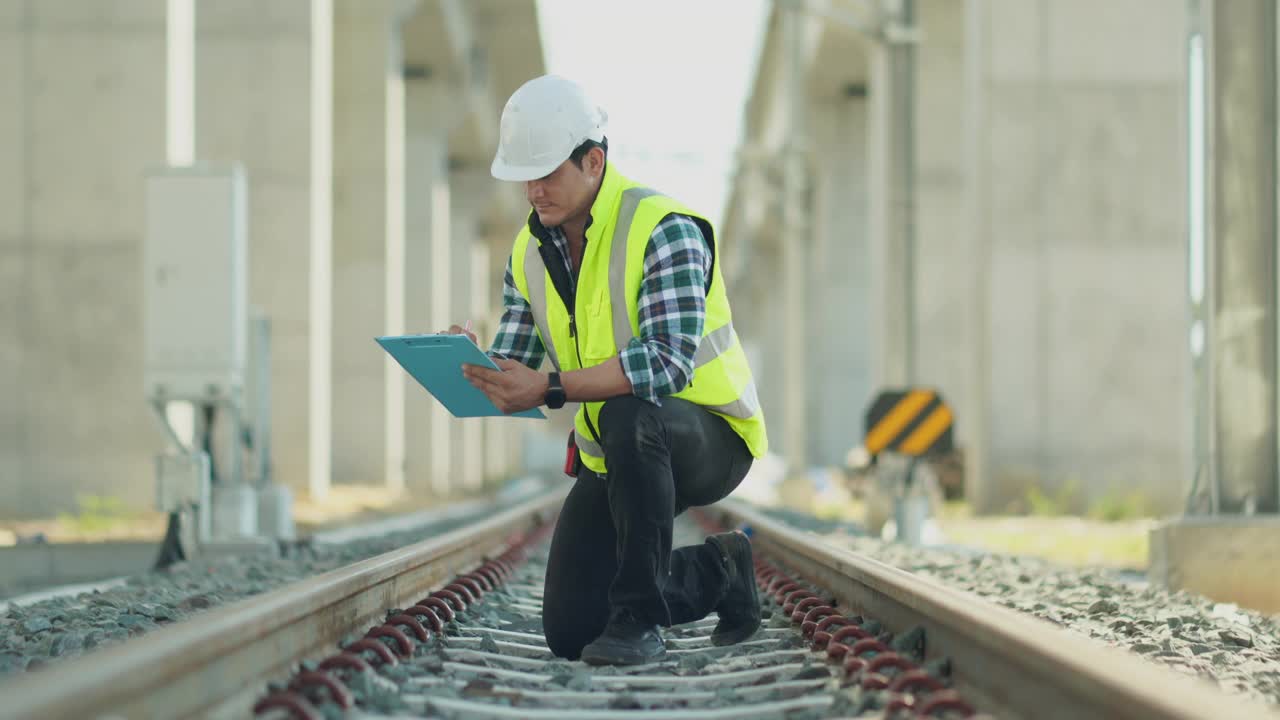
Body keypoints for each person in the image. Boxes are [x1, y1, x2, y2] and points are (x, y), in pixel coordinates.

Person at [446, 74, 769, 666]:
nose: (535, 191)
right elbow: (517, 359)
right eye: (525, 178)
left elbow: (665, 363)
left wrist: (546, 388)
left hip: (707, 438)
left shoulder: (663, 228)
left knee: (629, 408)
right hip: (616, 449)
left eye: (546, 173)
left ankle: (641, 620)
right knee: (571, 630)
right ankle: (720, 570)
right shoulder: (527, 253)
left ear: (593, 162)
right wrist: (476, 364)